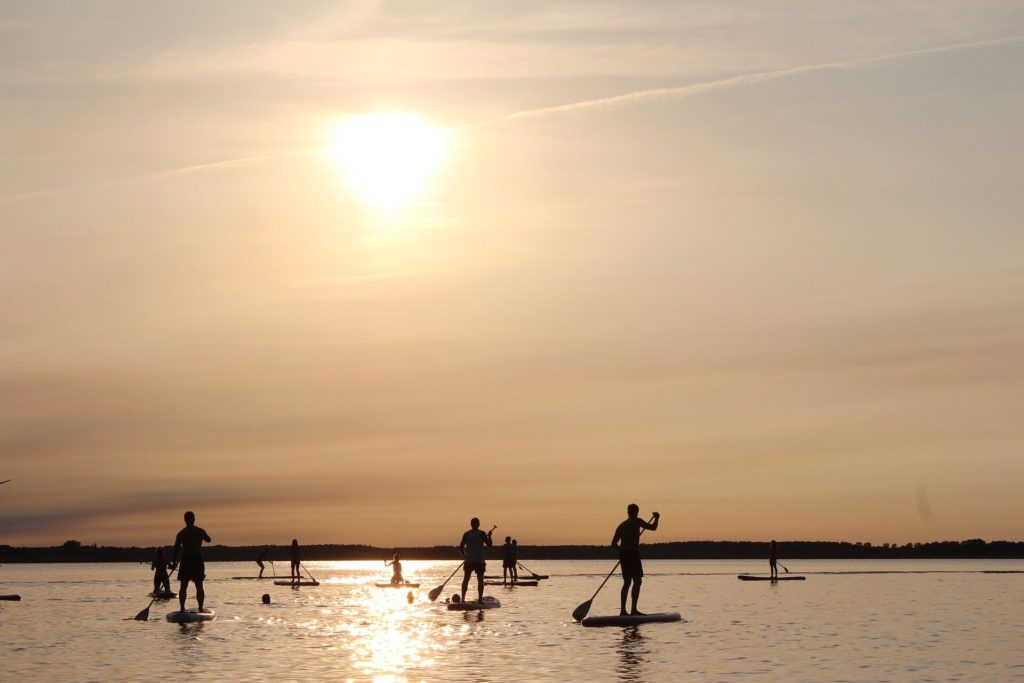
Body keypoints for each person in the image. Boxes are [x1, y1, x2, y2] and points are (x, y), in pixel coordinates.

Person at [611, 504, 659, 616]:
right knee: (637, 581)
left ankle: (623, 611)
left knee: (627, 582)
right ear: (637, 512)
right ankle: (633, 610)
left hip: (624, 555)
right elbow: (653, 528)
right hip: (632, 554)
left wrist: (622, 551)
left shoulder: (621, 525)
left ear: (627, 512)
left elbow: (613, 544)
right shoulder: (637, 521)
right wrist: (656, 518)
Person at [171, 510, 211, 613]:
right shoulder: (200, 531)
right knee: (198, 585)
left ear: (185, 520)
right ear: (193, 519)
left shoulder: (181, 533)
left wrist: (174, 562)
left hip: (187, 559)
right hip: (195, 559)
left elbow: (175, 549)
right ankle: (199, 607)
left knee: (185, 585)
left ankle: (183, 608)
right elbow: (208, 540)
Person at [459, 518, 494, 603]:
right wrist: (489, 536)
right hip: (479, 561)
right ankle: (480, 600)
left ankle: (463, 599)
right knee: (480, 580)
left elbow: (461, 547)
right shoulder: (482, 533)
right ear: (478, 524)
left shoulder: (466, 534)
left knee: (466, 579)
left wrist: (464, 556)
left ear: (471, 524)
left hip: (469, 561)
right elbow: (490, 545)